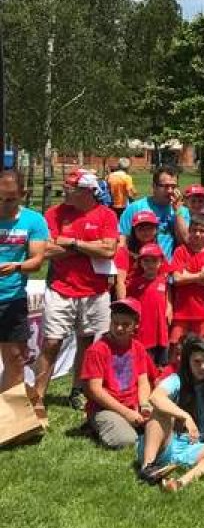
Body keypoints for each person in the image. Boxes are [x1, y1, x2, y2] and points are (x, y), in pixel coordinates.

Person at [37, 169, 120, 413]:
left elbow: (109, 251)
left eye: (70, 187)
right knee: (52, 342)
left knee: (87, 342)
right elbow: (45, 251)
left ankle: (78, 391)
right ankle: (38, 397)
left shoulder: (106, 215)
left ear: (87, 191)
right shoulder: (54, 213)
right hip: (61, 288)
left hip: (94, 290)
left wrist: (72, 243)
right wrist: (90, 247)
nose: (65, 191)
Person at [137, 335, 204, 492]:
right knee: (160, 412)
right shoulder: (177, 379)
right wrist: (185, 416)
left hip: (192, 447)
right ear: (187, 363)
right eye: (197, 362)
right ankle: (148, 468)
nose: (202, 367)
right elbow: (155, 397)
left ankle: (181, 482)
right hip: (165, 445)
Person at [80, 298, 154, 449]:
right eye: (115, 323)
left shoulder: (138, 347)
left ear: (136, 325)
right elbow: (94, 390)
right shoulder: (97, 350)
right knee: (125, 440)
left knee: (166, 424)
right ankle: (96, 425)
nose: (119, 328)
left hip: (134, 405)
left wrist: (145, 405)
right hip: (104, 407)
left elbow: (143, 381)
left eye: (125, 325)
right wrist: (126, 413)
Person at [0, 171, 48, 395]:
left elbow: (37, 260)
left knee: (15, 359)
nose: (4, 204)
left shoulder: (34, 220)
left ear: (23, 194)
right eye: (0, 198)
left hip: (12, 299)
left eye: (10, 198)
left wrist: (17, 267)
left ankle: (8, 420)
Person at [119, 166, 189, 259]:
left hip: (168, 268)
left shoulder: (182, 211)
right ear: (154, 186)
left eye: (173, 186)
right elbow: (123, 241)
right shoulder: (135, 208)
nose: (170, 191)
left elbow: (185, 241)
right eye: (165, 186)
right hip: (140, 266)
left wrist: (177, 211)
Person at [170, 215, 204, 343]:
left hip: (203, 313)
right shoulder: (180, 251)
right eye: (193, 230)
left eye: (201, 231)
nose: (197, 234)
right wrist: (200, 276)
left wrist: (187, 275)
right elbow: (176, 279)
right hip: (181, 313)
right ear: (189, 231)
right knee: (176, 348)